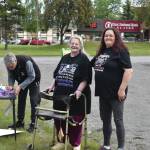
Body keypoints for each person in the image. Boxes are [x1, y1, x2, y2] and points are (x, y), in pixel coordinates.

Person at [91, 28, 133, 150]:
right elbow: (91, 63)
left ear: (116, 37)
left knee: (118, 120)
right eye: (106, 36)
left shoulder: (121, 51)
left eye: (110, 35)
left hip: (116, 94)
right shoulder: (102, 51)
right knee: (105, 120)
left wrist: (122, 89)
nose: (108, 37)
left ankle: (121, 147)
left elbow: (129, 71)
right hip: (103, 93)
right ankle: (106, 145)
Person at [48, 35, 92, 150]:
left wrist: (78, 90)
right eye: (72, 43)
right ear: (69, 44)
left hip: (75, 97)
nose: (74, 45)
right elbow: (57, 74)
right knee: (58, 119)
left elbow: (85, 79)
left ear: (80, 46)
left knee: (74, 120)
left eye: (76, 44)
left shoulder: (83, 59)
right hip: (59, 95)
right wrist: (52, 86)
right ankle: (61, 141)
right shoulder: (65, 57)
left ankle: (76, 144)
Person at [4, 53, 41, 133]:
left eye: (12, 66)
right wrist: (10, 85)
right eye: (9, 67)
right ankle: (20, 122)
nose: (11, 68)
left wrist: (20, 86)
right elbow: (11, 76)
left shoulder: (26, 62)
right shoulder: (8, 65)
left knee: (33, 100)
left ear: (15, 61)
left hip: (34, 78)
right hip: (23, 78)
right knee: (21, 99)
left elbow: (31, 76)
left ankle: (33, 123)